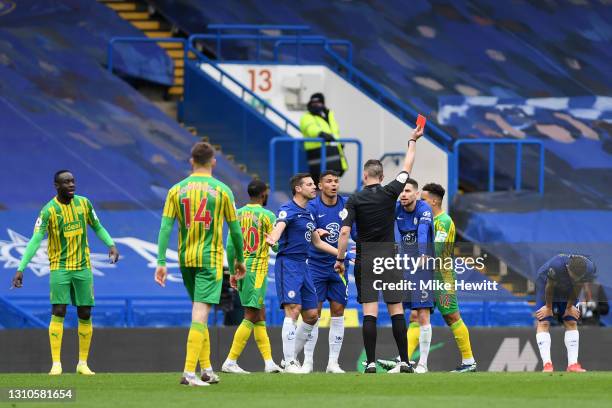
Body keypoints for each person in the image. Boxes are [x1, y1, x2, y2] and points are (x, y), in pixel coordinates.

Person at [155, 141, 247, 387]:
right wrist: (238, 259)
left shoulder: (176, 190)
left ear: (191, 161)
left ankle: (206, 369)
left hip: (186, 258)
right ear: (214, 162)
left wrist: (161, 261)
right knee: (200, 313)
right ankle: (188, 373)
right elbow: (236, 231)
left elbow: (165, 227)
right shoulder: (223, 191)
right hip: (210, 259)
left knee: (200, 311)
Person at [335, 125, 424, 374]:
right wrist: (412, 139)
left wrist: (340, 258)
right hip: (389, 258)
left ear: (365, 177)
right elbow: (408, 166)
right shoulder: (390, 192)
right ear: (382, 177)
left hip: (366, 258)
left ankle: (371, 363)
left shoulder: (353, 199)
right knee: (396, 310)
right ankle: (405, 361)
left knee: (370, 312)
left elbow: (344, 233)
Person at [12, 170, 119, 376]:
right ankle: (56, 364)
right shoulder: (48, 211)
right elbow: (35, 240)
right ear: (56, 186)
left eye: (73, 181)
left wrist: (111, 244)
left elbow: (97, 226)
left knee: (85, 313)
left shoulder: (84, 204)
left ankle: (82, 363)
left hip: (82, 267)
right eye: (66, 182)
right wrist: (21, 268)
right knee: (59, 311)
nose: (71, 185)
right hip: (60, 267)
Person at [264, 173, 339, 373]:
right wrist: (273, 237)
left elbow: (317, 242)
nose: (314, 187)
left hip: (305, 266)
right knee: (293, 309)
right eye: (309, 184)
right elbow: (280, 226)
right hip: (288, 264)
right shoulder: (287, 209)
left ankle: (288, 359)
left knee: (312, 314)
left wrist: (343, 254)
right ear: (298, 188)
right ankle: (289, 363)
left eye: (314, 184)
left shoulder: (308, 213)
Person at [221, 179, 282, 374]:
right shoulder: (268, 215)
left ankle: (269, 362)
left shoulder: (237, 214)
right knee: (251, 314)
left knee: (260, 315)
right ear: (264, 194)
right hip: (256, 270)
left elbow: (230, 246)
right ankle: (230, 360)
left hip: (242, 270)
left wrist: (232, 270)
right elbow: (275, 243)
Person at [300, 170, 353, 374]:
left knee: (338, 311)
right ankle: (308, 362)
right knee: (313, 313)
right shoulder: (313, 205)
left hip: (338, 268)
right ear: (320, 186)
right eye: (329, 181)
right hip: (315, 266)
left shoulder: (346, 204)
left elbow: (353, 230)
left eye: (336, 181)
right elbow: (312, 234)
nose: (333, 184)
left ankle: (333, 363)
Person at [395, 179, 435, 374]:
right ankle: (403, 362)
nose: (403, 194)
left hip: (423, 266)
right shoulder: (397, 209)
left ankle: (423, 364)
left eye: (408, 191)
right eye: (401, 191)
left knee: (422, 313)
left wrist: (421, 253)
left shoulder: (424, 209)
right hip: (404, 266)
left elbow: (422, 231)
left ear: (416, 194)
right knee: (400, 312)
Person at [534, 254, 596, 372]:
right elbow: (549, 287)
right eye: (574, 276)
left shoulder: (588, 268)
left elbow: (578, 286)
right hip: (545, 284)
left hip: (568, 288)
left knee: (571, 320)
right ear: (567, 267)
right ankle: (547, 365)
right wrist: (548, 307)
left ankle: (573, 365)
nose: (575, 279)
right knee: (544, 321)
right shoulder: (556, 266)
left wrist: (569, 307)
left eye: (578, 277)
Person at [299, 93, 348, 183]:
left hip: (333, 152)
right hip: (317, 154)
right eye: (313, 103)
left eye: (318, 103)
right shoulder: (307, 117)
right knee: (319, 181)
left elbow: (334, 133)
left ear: (323, 104)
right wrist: (321, 134)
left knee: (332, 180)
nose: (315, 105)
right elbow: (311, 128)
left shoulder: (328, 115)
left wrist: (338, 143)